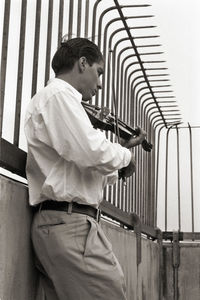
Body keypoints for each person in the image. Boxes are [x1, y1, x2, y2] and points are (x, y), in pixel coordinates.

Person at [24, 37, 146, 300]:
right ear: (82, 63)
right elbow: (89, 150)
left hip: (65, 223)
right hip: (70, 225)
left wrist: (120, 159)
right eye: (98, 72)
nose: (100, 84)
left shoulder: (63, 102)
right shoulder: (59, 96)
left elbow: (79, 167)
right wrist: (125, 156)